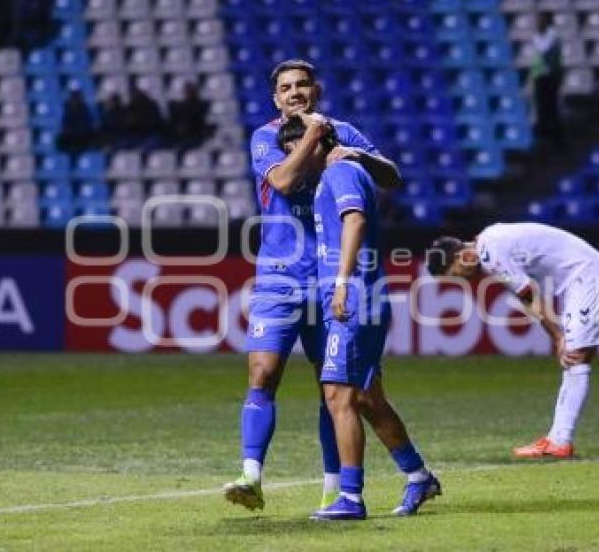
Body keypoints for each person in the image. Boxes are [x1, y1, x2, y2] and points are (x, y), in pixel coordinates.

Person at [222, 60, 402, 513]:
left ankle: (332, 486)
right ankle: (251, 475)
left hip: (328, 280)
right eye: (286, 87)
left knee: (334, 386)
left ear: (315, 90)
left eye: (302, 84)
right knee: (262, 373)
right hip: (278, 277)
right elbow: (282, 180)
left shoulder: (343, 130)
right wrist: (313, 137)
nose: (295, 92)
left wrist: (352, 153)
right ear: (276, 98)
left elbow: (391, 176)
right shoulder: (264, 137)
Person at [274, 116, 441, 520]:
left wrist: (344, 281)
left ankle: (350, 497)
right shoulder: (339, 173)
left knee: (337, 393)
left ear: (315, 143)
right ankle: (418, 475)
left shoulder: (342, 172)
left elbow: (356, 220)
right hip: (357, 296)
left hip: (354, 296)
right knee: (367, 398)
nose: (293, 160)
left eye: (295, 149)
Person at [427, 223, 599, 459]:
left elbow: (529, 295)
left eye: (457, 274)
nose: (464, 281)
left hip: (589, 278)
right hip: (584, 278)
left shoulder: (490, 253)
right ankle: (558, 439)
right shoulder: (488, 241)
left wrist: (558, 336)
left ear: (464, 256)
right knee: (576, 358)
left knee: (574, 357)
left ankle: (560, 441)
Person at [528, 14, 565, 151]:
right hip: (541, 76)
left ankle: (557, 142)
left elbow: (544, 50)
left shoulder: (552, 36)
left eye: (541, 21)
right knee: (541, 108)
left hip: (551, 76)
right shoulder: (539, 36)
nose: (538, 23)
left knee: (551, 109)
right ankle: (544, 140)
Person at [168, 82, 217, 151]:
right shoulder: (178, 106)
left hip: (196, 137)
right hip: (181, 137)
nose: (189, 93)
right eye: (188, 91)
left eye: (192, 91)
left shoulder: (202, 106)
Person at [123, 84, 165, 149]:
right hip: (134, 135)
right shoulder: (130, 107)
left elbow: (156, 122)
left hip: (149, 135)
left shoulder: (152, 105)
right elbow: (127, 123)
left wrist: (140, 122)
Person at [57, 89, 97, 159]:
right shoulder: (68, 109)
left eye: (77, 98)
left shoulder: (85, 109)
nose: (75, 100)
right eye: (73, 98)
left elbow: (88, 125)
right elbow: (65, 125)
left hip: (82, 137)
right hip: (71, 137)